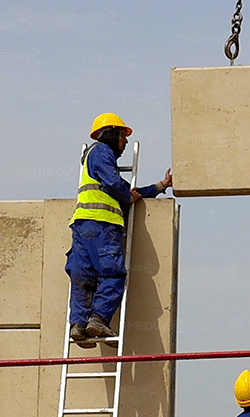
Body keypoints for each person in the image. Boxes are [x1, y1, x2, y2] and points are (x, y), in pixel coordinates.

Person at [65, 112, 173, 348]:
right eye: (122, 136)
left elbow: (129, 191)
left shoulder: (95, 163)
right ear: (111, 134)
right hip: (103, 227)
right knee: (112, 273)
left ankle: (79, 326)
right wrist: (127, 198)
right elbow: (119, 188)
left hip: (83, 226)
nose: (124, 142)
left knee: (83, 277)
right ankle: (99, 318)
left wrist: (161, 185)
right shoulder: (102, 151)